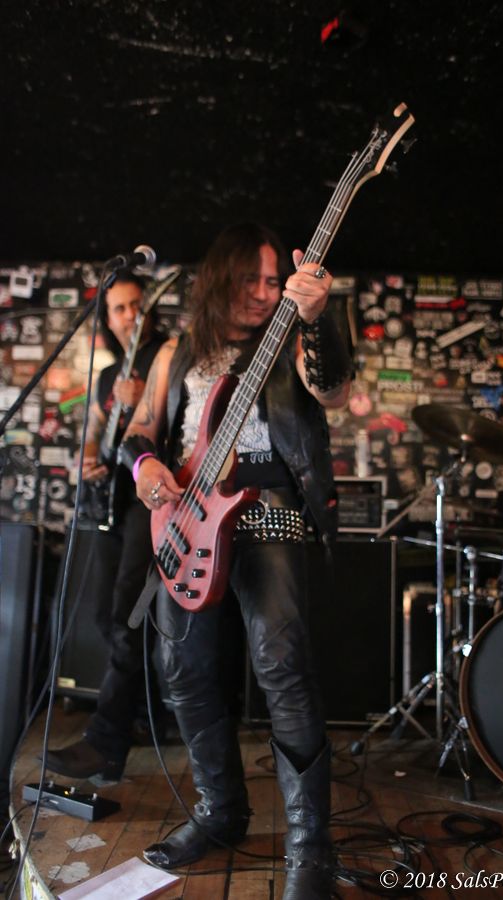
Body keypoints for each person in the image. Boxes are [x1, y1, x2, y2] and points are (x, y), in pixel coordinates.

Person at [118, 223, 352, 899]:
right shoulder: (177, 351)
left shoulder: (290, 337)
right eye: (252, 278)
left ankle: (310, 845)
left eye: (274, 281)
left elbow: (333, 391)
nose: (264, 292)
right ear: (222, 277)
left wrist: (316, 317)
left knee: (282, 663)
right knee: (182, 670)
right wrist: (145, 466)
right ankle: (220, 812)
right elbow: (139, 431)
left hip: (266, 508)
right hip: (188, 516)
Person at [45, 272, 167, 782]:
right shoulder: (107, 374)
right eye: (119, 308)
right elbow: (94, 433)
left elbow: (163, 423)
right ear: (108, 317)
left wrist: (139, 402)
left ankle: (107, 741)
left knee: (127, 612)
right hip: (110, 500)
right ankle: (146, 715)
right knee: (101, 613)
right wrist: (91, 456)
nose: (130, 315)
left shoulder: (167, 354)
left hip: (151, 500)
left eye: (137, 304)